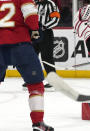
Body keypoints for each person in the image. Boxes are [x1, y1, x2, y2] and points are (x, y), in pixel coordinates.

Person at [0, 0, 54, 130]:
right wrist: (35, 29)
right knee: (35, 83)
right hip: (20, 45)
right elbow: (30, 15)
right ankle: (38, 122)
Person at [23, 0, 60, 90]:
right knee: (32, 57)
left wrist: (44, 27)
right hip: (34, 33)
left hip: (46, 33)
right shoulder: (33, 3)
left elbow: (56, 18)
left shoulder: (50, 3)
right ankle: (33, 80)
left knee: (47, 57)